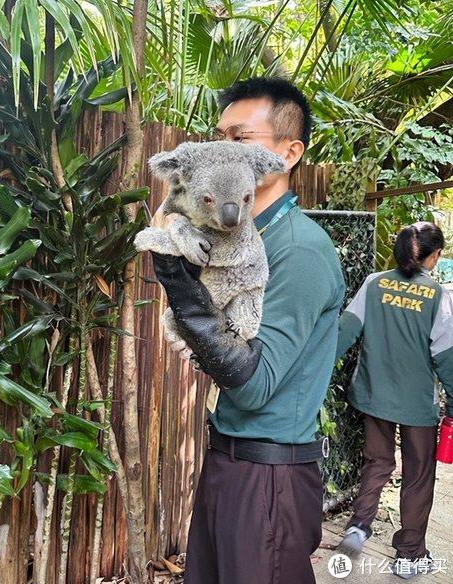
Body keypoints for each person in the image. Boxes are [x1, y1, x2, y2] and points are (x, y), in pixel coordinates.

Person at [149, 78, 345, 584]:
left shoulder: (299, 249)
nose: (221, 148)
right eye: (218, 137)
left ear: (289, 152)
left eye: (239, 138)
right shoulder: (239, 233)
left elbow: (254, 383)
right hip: (228, 460)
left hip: (268, 478)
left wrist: (177, 279)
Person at [336, 222, 453, 579]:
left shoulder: (374, 284)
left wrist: (317, 372)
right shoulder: (437, 296)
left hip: (374, 395)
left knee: (378, 461)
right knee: (418, 476)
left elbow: (346, 330)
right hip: (417, 405)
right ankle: (409, 554)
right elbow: (446, 356)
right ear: (432, 257)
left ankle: (358, 526)